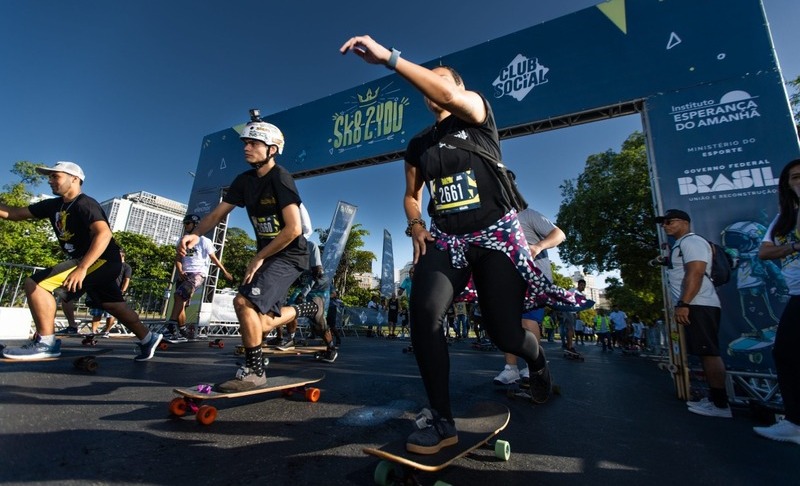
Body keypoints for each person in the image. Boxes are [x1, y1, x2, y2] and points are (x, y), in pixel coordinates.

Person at [341, 35, 583, 455]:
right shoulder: (417, 145)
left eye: (439, 79)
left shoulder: (476, 115)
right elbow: (411, 194)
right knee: (424, 315)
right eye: (426, 82)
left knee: (504, 332)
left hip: (495, 238)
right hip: (448, 239)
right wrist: (415, 224)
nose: (431, 86)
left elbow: (451, 94)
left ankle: (537, 361)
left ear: (455, 85)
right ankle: (441, 419)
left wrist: (391, 59)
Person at [178, 112, 324, 392]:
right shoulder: (243, 181)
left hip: (290, 254)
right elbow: (217, 213)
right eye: (245, 142)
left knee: (243, 303)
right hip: (269, 254)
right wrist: (195, 234)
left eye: (254, 143)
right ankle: (308, 308)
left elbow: (293, 229)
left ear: (272, 150)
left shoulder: (280, 178)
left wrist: (257, 257)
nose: (246, 147)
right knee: (262, 322)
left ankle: (254, 372)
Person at [0, 161, 162, 361]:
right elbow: (15, 214)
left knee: (36, 284)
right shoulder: (52, 205)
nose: (50, 181)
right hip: (95, 263)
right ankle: (148, 338)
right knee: (113, 305)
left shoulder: (85, 203)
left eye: (55, 176)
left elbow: (103, 234)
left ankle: (46, 342)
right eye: (49, 177)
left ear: (74, 179)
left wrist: (83, 268)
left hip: (101, 259)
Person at [657, 208, 731, 418]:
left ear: (685, 223)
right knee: (704, 352)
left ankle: (720, 405)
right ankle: (715, 399)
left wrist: (684, 303)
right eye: (664, 222)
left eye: (670, 221)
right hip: (694, 304)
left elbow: (696, 272)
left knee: (709, 353)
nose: (665, 225)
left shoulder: (692, 241)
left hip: (698, 304)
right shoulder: (681, 245)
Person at [754, 158, 800, 444]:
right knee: (785, 353)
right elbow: (764, 252)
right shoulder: (785, 218)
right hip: (797, 294)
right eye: (795, 177)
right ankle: (795, 422)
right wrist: (794, 245)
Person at [493, 208, 566, 385]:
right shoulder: (496, 223)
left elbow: (559, 234)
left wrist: (538, 246)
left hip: (534, 277)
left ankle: (533, 367)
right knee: (507, 324)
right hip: (509, 280)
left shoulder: (527, 215)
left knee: (528, 322)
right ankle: (511, 369)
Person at [164, 214, 233, 343]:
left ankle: (171, 325)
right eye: (184, 223)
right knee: (181, 303)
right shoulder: (182, 240)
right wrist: (180, 271)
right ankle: (183, 331)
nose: (185, 226)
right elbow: (178, 259)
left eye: (188, 223)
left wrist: (225, 271)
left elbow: (214, 258)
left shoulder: (204, 241)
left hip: (197, 274)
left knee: (179, 296)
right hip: (184, 274)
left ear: (195, 224)